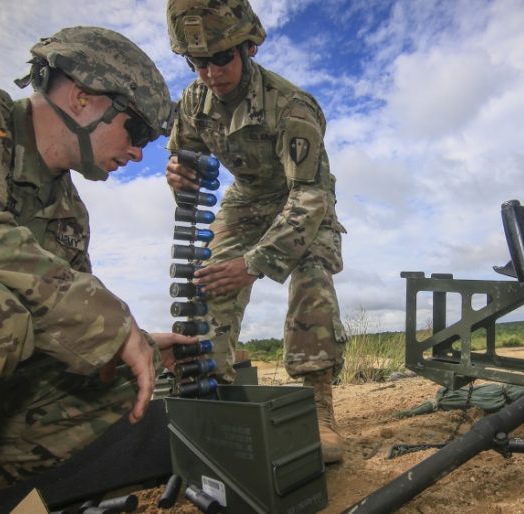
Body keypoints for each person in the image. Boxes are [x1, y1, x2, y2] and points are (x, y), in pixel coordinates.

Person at [0, 27, 189, 511]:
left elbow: (63, 327)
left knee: (125, 369)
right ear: (83, 98)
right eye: (136, 131)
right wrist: (104, 322)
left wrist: (137, 342)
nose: (138, 153)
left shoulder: (67, 212)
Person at [165, 0, 349, 463]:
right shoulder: (191, 102)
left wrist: (252, 265)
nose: (209, 73)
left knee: (311, 277)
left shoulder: (292, 106)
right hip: (247, 198)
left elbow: (310, 197)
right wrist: (180, 177)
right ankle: (214, 398)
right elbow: (186, 160)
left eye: (221, 58)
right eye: (198, 62)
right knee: (206, 283)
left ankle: (316, 405)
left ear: (247, 48)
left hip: (302, 196)